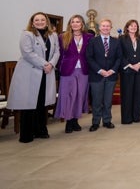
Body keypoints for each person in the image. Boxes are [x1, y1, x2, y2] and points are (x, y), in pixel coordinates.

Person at [7, 12, 60, 143]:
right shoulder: (27, 34)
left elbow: (57, 52)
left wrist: (51, 64)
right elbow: (27, 53)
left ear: (47, 21)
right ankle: (26, 134)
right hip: (30, 73)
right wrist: (45, 64)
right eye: (37, 20)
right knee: (29, 104)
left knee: (42, 103)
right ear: (32, 22)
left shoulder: (53, 35)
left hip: (46, 73)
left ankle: (41, 130)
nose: (40, 22)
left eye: (43, 19)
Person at [54, 14, 93, 134]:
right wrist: (59, 68)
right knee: (68, 96)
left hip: (83, 70)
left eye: (78, 21)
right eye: (73, 22)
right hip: (68, 70)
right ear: (70, 24)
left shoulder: (89, 37)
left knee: (80, 95)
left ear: (82, 24)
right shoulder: (63, 36)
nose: (75, 24)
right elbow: (59, 54)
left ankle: (76, 120)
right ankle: (68, 121)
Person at [86, 18, 122, 131]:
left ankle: (107, 120)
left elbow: (119, 58)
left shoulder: (116, 41)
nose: (105, 28)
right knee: (97, 101)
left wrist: (112, 70)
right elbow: (89, 58)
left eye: (108, 26)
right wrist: (100, 70)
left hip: (111, 75)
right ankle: (95, 122)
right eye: (103, 26)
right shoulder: (93, 41)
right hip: (97, 75)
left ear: (111, 28)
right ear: (99, 28)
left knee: (107, 101)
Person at [119, 19, 140, 124]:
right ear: (127, 27)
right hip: (127, 70)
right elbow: (120, 54)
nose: (133, 27)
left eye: (135, 26)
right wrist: (130, 65)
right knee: (127, 94)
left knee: (138, 94)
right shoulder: (122, 39)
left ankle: (137, 117)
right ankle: (127, 118)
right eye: (131, 26)